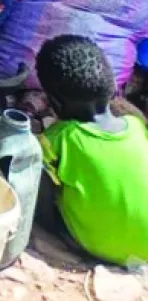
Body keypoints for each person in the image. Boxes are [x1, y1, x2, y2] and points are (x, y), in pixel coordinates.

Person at [35, 35, 148, 267]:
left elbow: (40, 201)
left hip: (98, 247)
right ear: (113, 87)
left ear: (54, 102)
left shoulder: (58, 139)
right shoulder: (137, 127)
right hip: (145, 250)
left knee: (42, 179)